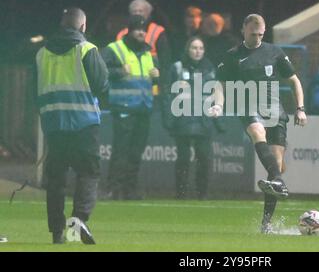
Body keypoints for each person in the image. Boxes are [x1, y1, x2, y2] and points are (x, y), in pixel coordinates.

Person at [209, 14, 307, 234]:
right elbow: (221, 84)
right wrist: (218, 105)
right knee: (256, 131)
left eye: (261, 34)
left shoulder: (275, 52)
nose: (257, 38)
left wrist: (300, 109)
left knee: (276, 168)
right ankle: (278, 181)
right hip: (249, 108)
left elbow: (294, 81)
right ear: (243, 30)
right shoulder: (233, 56)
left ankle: (266, 223)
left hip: (275, 111)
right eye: (253, 34)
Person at [36, 7, 109, 244]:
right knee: (88, 173)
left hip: (54, 124)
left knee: (55, 179)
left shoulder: (41, 54)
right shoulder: (87, 50)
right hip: (84, 123)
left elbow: (33, 92)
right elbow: (102, 84)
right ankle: (78, 221)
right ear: (83, 26)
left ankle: (57, 231)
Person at [102, 15, 160, 200]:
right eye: (137, 29)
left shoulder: (148, 52)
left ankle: (129, 189)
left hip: (143, 109)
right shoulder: (115, 49)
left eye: (144, 30)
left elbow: (152, 80)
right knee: (121, 151)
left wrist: (157, 76)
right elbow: (98, 70)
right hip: (124, 108)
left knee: (136, 152)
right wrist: (119, 72)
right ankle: (113, 189)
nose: (142, 32)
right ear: (129, 30)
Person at [163, 36, 223, 200]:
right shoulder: (177, 67)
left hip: (204, 119)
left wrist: (218, 117)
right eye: (194, 48)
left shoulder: (209, 68)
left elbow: (216, 92)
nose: (198, 51)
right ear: (187, 49)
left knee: (204, 158)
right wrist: (169, 119)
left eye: (201, 48)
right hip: (182, 119)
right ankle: (181, 193)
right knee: (183, 159)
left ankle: (202, 194)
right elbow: (168, 93)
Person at [116, 0, 172, 88]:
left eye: (140, 11)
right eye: (135, 11)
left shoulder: (157, 31)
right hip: (128, 87)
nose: (137, 14)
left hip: (151, 86)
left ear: (148, 13)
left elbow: (165, 62)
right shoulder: (121, 35)